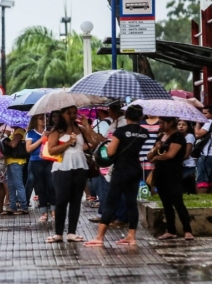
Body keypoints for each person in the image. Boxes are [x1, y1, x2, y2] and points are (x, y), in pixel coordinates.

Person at [84, 105, 149, 246]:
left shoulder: (120, 131)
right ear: (141, 117)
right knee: (131, 203)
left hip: (121, 170)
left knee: (111, 202)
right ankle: (131, 236)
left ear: (126, 116)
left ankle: (100, 237)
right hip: (135, 169)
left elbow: (111, 152)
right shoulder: (144, 132)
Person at [46, 105, 98, 243]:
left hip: (80, 166)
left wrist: (88, 127)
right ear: (63, 114)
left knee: (76, 200)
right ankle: (58, 233)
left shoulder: (79, 129)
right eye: (70, 113)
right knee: (62, 200)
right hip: (62, 167)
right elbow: (51, 150)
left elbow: (95, 142)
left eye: (75, 113)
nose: (73, 116)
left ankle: (71, 232)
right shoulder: (57, 131)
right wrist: (68, 143)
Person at [148, 117, 194, 241]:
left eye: (163, 122)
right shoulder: (160, 137)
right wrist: (156, 149)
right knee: (166, 203)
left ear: (170, 123)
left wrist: (157, 157)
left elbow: (170, 155)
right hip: (161, 173)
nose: (160, 125)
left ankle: (187, 230)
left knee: (178, 202)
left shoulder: (177, 137)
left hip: (173, 173)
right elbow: (149, 156)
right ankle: (171, 230)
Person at [25, 114, 55, 221]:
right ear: (35, 120)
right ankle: (44, 212)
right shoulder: (31, 133)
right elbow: (28, 149)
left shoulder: (51, 130)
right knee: (41, 187)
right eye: (41, 118)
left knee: (51, 186)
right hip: (36, 162)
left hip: (49, 161)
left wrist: (49, 136)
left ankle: (53, 211)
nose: (44, 120)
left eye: (45, 118)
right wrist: (41, 139)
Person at [3, 125, 28, 215]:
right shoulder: (15, 131)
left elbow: (13, 144)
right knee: (11, 185)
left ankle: (23, 207)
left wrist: (5, 140)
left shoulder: (20, 131)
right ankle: (12, 206)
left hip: (16, 161)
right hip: (11, 161)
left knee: (18, 184)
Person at [194, 105, 212, 193]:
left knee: (202, 180)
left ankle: (202, 200)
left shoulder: (209, 122)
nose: (203, 115)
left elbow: (197, 134)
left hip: (206, 156)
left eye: (205, 113)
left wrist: (197, 124)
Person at [178, 120, 196, 195]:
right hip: (181, 165)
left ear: (188, 127)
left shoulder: (189, 136)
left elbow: (187, 154)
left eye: (184, 125)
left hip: (189, 165)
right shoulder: (177, 136)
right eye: (179, 124)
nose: (181, 126)